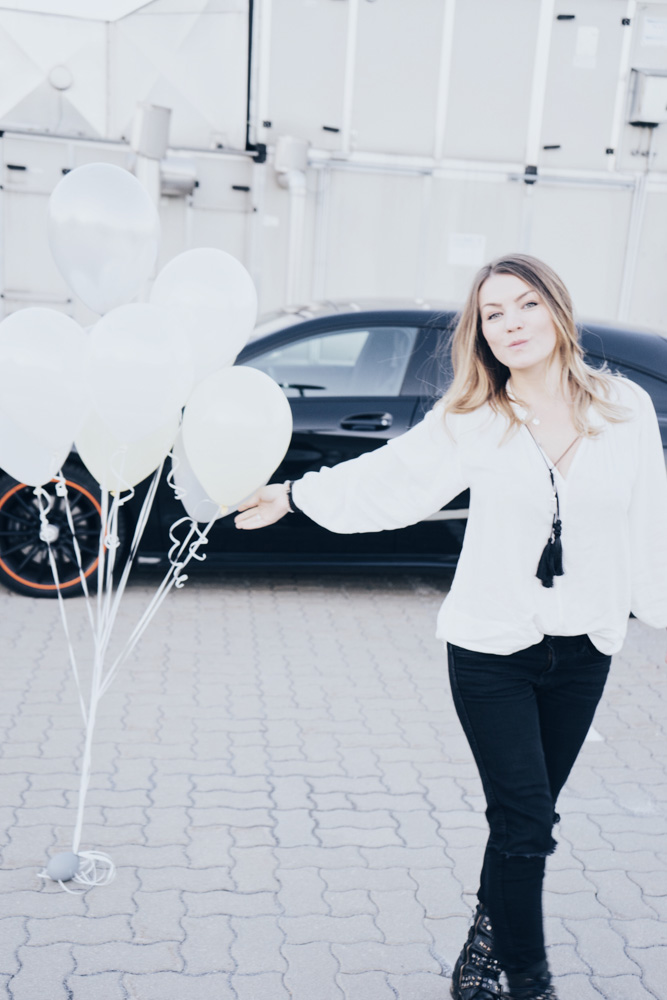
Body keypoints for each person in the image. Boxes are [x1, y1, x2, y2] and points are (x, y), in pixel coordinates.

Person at [234, 254, 667, 1000]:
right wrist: (295, 494)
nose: (511, 323)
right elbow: (391, 478)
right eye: (493, 314)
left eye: (525, 304)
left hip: (586, 646)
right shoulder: (475, 416)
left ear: (557, 309)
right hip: (491, 648)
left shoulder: (622, 409)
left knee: (525, 822)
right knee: (526, 822)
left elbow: (649, 528)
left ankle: (482, 944)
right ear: (481, 333)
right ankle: (529, 983)